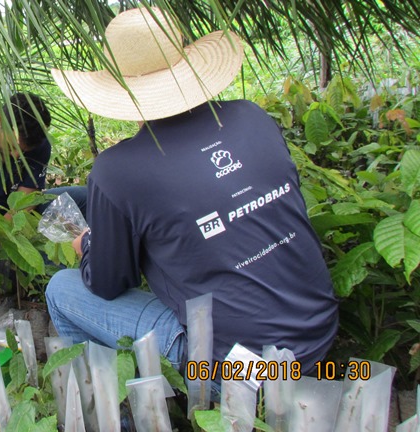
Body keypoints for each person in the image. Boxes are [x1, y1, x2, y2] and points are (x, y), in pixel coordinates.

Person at [46, 7, 338, 378]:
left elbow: (108, 283)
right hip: (319, 339)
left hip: (236, 368)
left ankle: (122, 404)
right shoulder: (253, 117)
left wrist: (87, 246)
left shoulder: (117, 170)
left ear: (119, 88)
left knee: (61, 288)